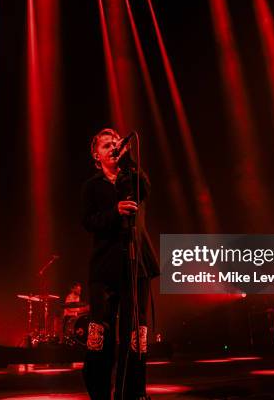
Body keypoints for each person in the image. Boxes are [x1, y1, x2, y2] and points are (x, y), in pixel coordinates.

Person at [81, 128, 159, 400]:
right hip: (105, 267)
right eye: (106, 145)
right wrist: (114, 212)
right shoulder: (92, 185)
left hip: (137, 264)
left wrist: (130, 161)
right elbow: (88, 222)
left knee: (136, 334)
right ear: (96, 154)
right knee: (100, 333)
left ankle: (132, 393)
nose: (113, 148)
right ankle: (99, 393)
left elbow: (147, 189)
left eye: (115, 143)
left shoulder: (132, 178)